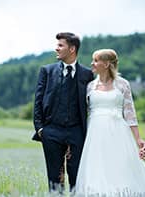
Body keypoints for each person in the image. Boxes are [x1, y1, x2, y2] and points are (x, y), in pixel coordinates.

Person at [75, 49, 145, 196]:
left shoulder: (123, 85)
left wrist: (138, 139)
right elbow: (82, 113)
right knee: (97, 166)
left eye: (96, 60)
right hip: (95, 134)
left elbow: (130, 114)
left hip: (118, 132)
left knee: (119, 165)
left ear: (106, 64)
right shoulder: (90, 86)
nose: (92, 63)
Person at [32, 32, 94, 193]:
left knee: (76, 177)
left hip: (76, 132)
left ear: (72, 49)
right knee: (54, 179)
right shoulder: (47, 71)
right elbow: (38, 102)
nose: (56, 48)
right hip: (51, 131)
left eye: (60, 45)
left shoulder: (87, 74)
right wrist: (40, 129)